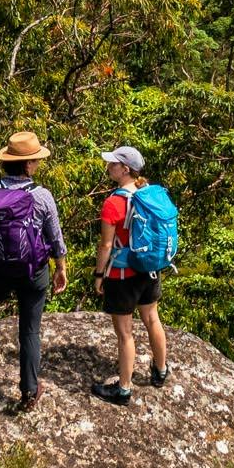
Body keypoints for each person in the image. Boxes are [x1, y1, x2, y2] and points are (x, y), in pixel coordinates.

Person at [0, 130, 67, 412]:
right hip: (34, 271)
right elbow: (54, 237)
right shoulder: (42, 196)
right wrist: (61, 267)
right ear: (29, 164)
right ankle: (29, 391)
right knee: (30, 329)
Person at [91, 144, 170, 405]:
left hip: (122, 274)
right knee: (152, 319)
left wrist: (99, 275)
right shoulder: (148, 195)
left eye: (113, 164)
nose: (109, 167)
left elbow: (105, 245)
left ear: (125, 169)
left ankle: (123, 389)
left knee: (125, 333)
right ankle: (160, 371)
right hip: (149, 269)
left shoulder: (114, 203)